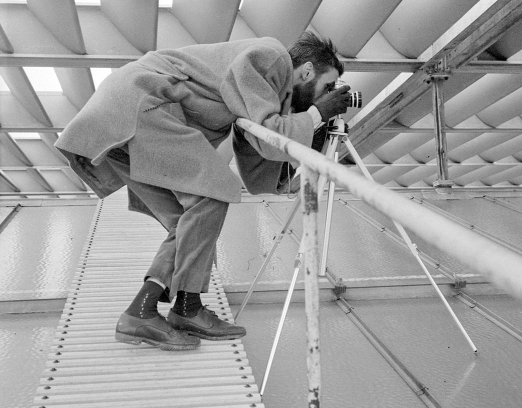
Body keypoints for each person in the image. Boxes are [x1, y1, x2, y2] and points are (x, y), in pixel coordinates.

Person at [55, 31, 351, 351]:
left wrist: (315, 135)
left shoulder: (260, 95)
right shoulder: (271, 55)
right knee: (214, 190)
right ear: (306, 71)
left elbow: (260, 163)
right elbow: (269, 136)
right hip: (143, 104)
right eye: (327, 86)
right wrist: (319, 112)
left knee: (186, 219)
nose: (328, 94)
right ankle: (185, 309)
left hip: (123, 112)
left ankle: (149, 313)